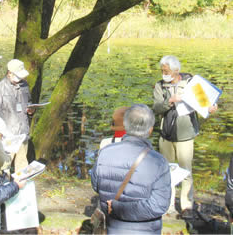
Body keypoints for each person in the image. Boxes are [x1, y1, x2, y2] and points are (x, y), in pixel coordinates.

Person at [153, 55, 218, 218]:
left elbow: (204, 103)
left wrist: (210, 109)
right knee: (166, 171)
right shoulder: (160, 86)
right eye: (162, 71)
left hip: (186, 135)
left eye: (166, 71)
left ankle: (187, 205)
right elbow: (156, 108)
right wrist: (171, 101)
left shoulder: (191, 83)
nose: (163, 74)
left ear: (176, 71)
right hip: (166, 135)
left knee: (186, 171)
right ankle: (167, 205)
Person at [91, 104, 171, 234]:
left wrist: (117, 207)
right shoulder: (158, 161)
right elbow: (159, 205)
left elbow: (96, 185)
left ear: (126, 126)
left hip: (114, 228)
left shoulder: (105, 153)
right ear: (150, 130)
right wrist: (122, 208)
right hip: (146, 230)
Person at [0, 59, 35, 171]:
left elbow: (29, 102)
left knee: (22, 164)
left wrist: (31, 111)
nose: (21, 79)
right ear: (9, 73)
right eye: (18, 76)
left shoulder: (25, 85)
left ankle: (22, 187)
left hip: (23, 132)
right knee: (4, 166)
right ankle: (5, 186)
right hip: (8, 135)